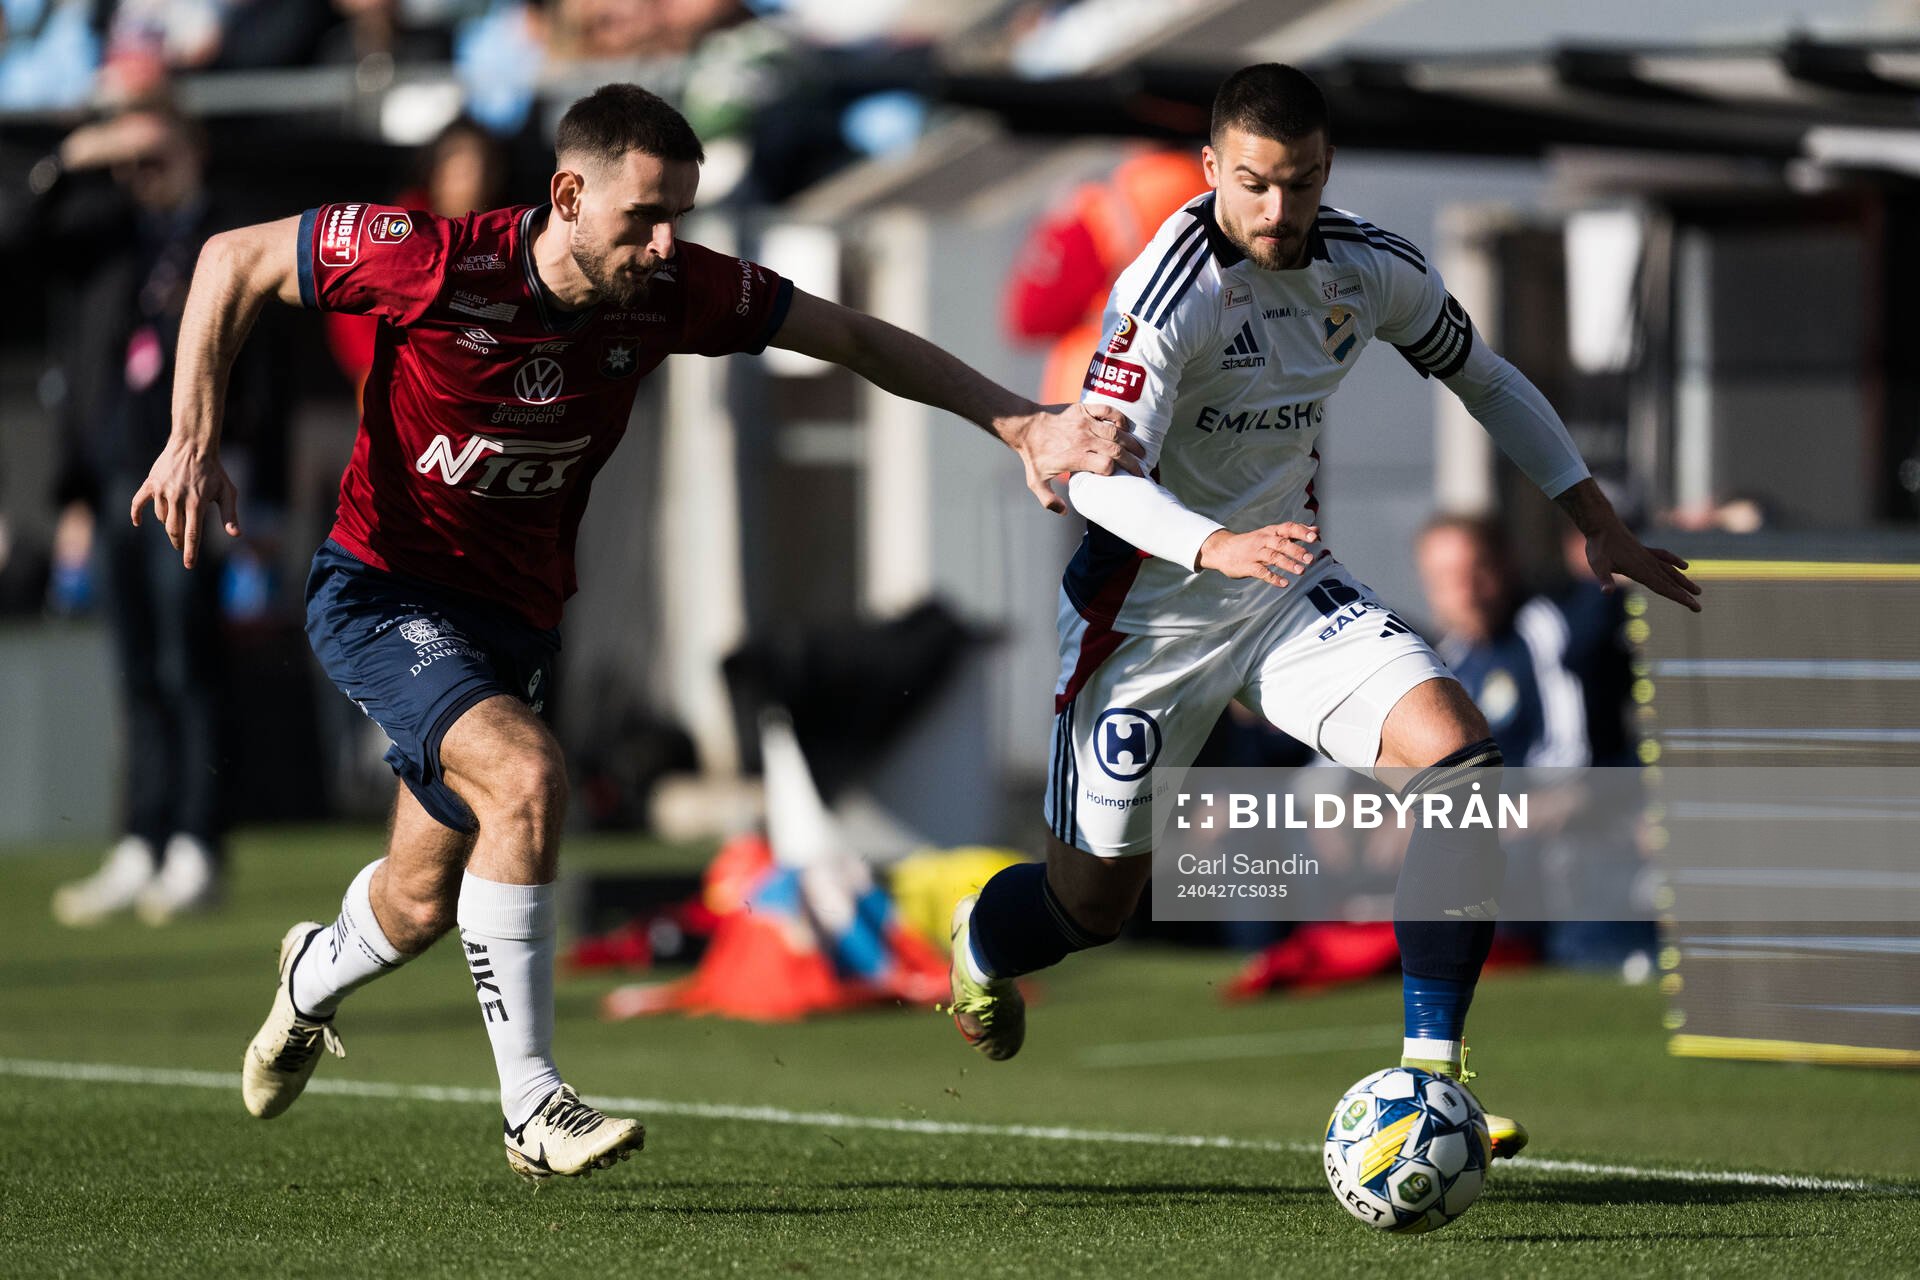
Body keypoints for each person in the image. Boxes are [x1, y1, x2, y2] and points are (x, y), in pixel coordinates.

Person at [132, 82, 1142, 1183]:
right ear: (567, 194)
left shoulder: (670, 293)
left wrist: (1022, 421)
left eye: (680, 218)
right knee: (526, 778)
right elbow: (231, 257)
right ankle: (532, 1103)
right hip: (382, 591)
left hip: (512, 620)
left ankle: (309, 977)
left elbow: (848, 335)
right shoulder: (430, 259)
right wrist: (192, 437)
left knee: (420, 900)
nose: (667, 245)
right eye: (643, 218)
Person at [945, 65, 1701, 1161]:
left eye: (1296, 184)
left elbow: (1482, 376)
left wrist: (1597, 517)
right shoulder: (1169, 291)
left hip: (1286, 587)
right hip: (1145, 615)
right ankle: (980, 935)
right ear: (1211, 171)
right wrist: (1213, 541)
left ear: (1325, 172)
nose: (1275, 209)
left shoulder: (1369, 266)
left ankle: (1431, 1078)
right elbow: (1094, 475)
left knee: (1456, 763)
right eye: (1250, 183)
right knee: (1090, 907)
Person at [38, 105, 285, 927]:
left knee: (190, 663)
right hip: (117, 478)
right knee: (136, 671)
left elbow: (262, 373)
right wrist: (76, 155)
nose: (140, 171)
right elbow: (17, 236)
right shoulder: (112, 233)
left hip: (195, 477)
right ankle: (141, 838)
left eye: (155, 153)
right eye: (130, 157)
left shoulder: (229, 231)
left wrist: (244, 480)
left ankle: (196, 840)